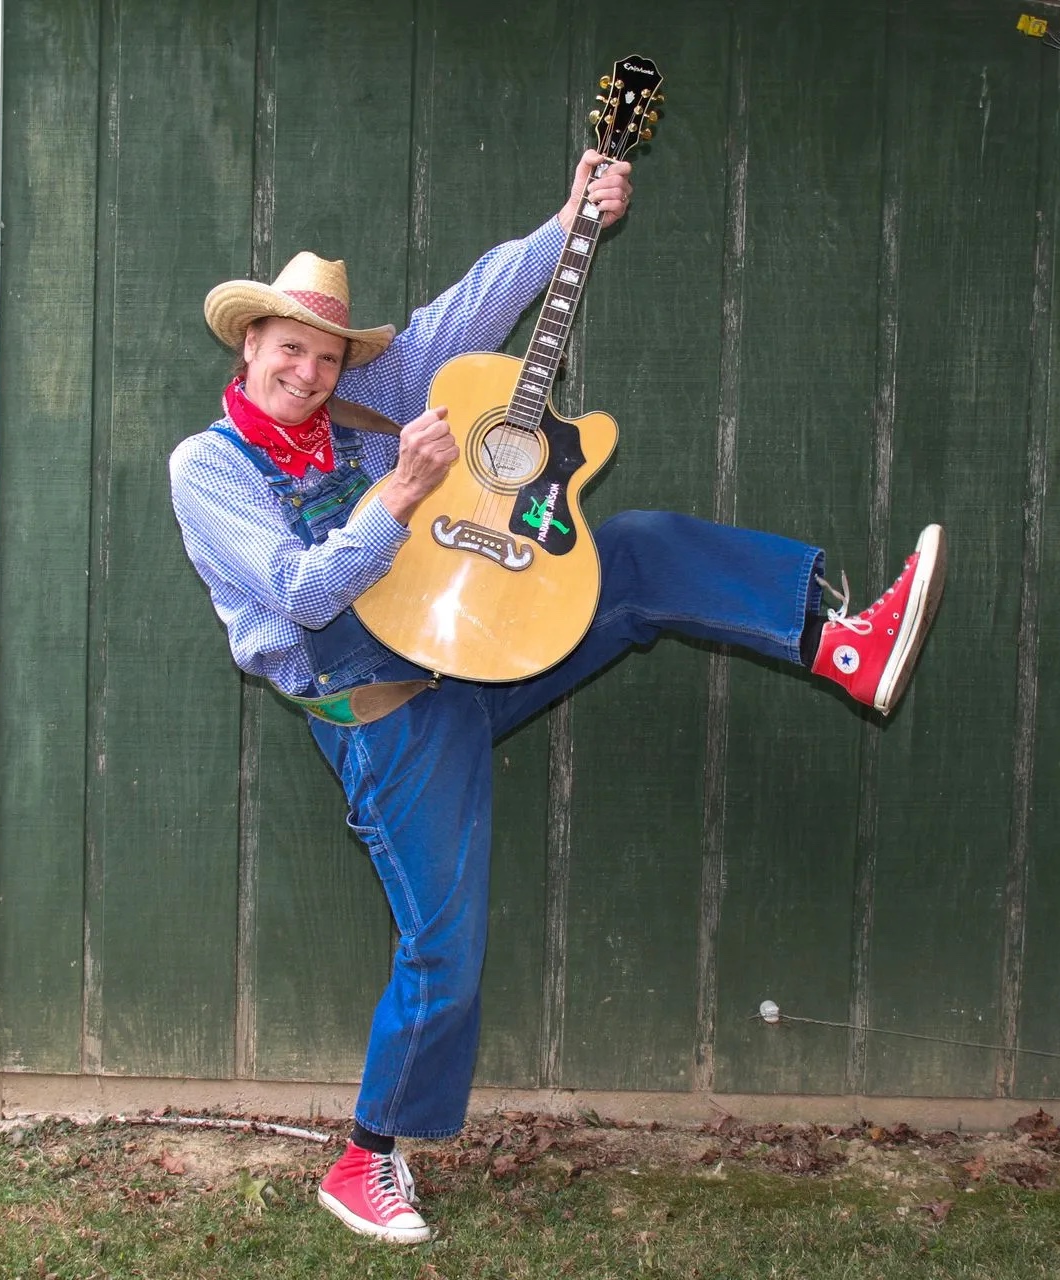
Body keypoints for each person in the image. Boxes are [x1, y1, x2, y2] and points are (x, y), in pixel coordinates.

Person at [170, 150, 944, 1245]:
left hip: (477, 641)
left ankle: (837, 639)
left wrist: (571, 217)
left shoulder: (362, 401)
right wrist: (397, 494)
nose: (307, 369)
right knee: (445, 943)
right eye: (289, 347)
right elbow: (300, 598)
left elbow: (470, 305)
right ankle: (365, 1157)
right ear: (250, 345)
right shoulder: (208, 468)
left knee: (628, 554)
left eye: (326, 352)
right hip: (387, 707)